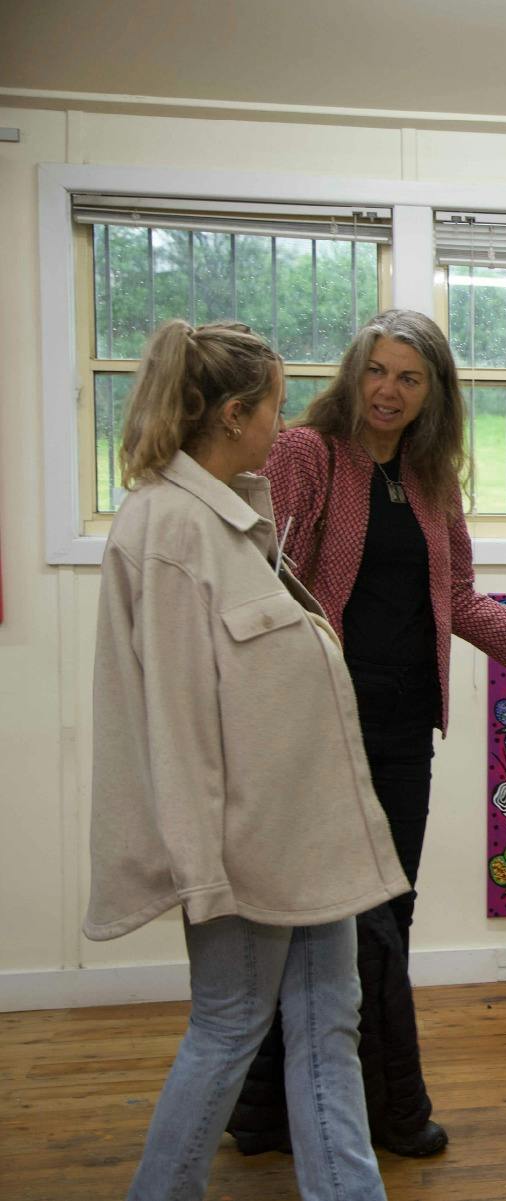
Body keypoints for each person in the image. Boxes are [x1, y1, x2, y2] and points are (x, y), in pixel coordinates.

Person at [226, 309, 506, 1159]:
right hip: (319, 720)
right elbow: (259, 571)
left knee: (386, 912)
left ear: (434, 393)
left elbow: (457, 601)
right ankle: (392, 1108)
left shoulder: (430, 478)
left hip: (402, 724)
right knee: (350, 915)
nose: (388, 390)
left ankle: (265, 1111)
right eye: (377, 370)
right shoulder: (307, 454)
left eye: (409, 378)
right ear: (353, 372)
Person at [85, 320, 408, 1201]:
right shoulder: (170, 532)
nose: (282, 422)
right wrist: (201, 872)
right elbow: (175, 723)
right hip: (238, 846)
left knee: (324, 1022)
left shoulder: (224, 518)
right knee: (230, 1024)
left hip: (299, 834)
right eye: (271, 404)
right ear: (233, 413)